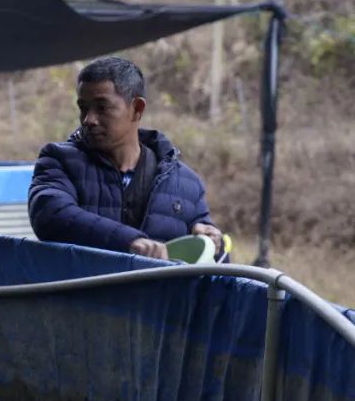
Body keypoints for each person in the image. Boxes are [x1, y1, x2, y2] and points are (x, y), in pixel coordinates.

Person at [28, 55, 222, 261]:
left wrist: (211, 238)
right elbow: (51, 215)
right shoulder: (59, 161)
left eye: (102, 108)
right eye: (83, 108)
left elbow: (213, 261)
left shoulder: (185, 183)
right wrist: (128, 242)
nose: (89, 119)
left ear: (137, 109)